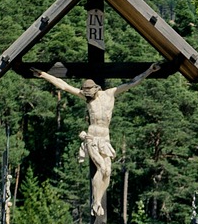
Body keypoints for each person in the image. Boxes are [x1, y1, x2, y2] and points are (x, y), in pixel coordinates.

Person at [32, 63, 160, 216]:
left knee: (108, 171)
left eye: (89, 93)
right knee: (102, 168)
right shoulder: (86, 97)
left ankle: (97, 200)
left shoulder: (110, 94)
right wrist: (44, 75)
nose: (87, 96)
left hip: (105, 137)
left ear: (96, 89)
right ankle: (96, 202)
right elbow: (64, 86)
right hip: (92, 136)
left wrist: (149, 71)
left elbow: (132, 82)